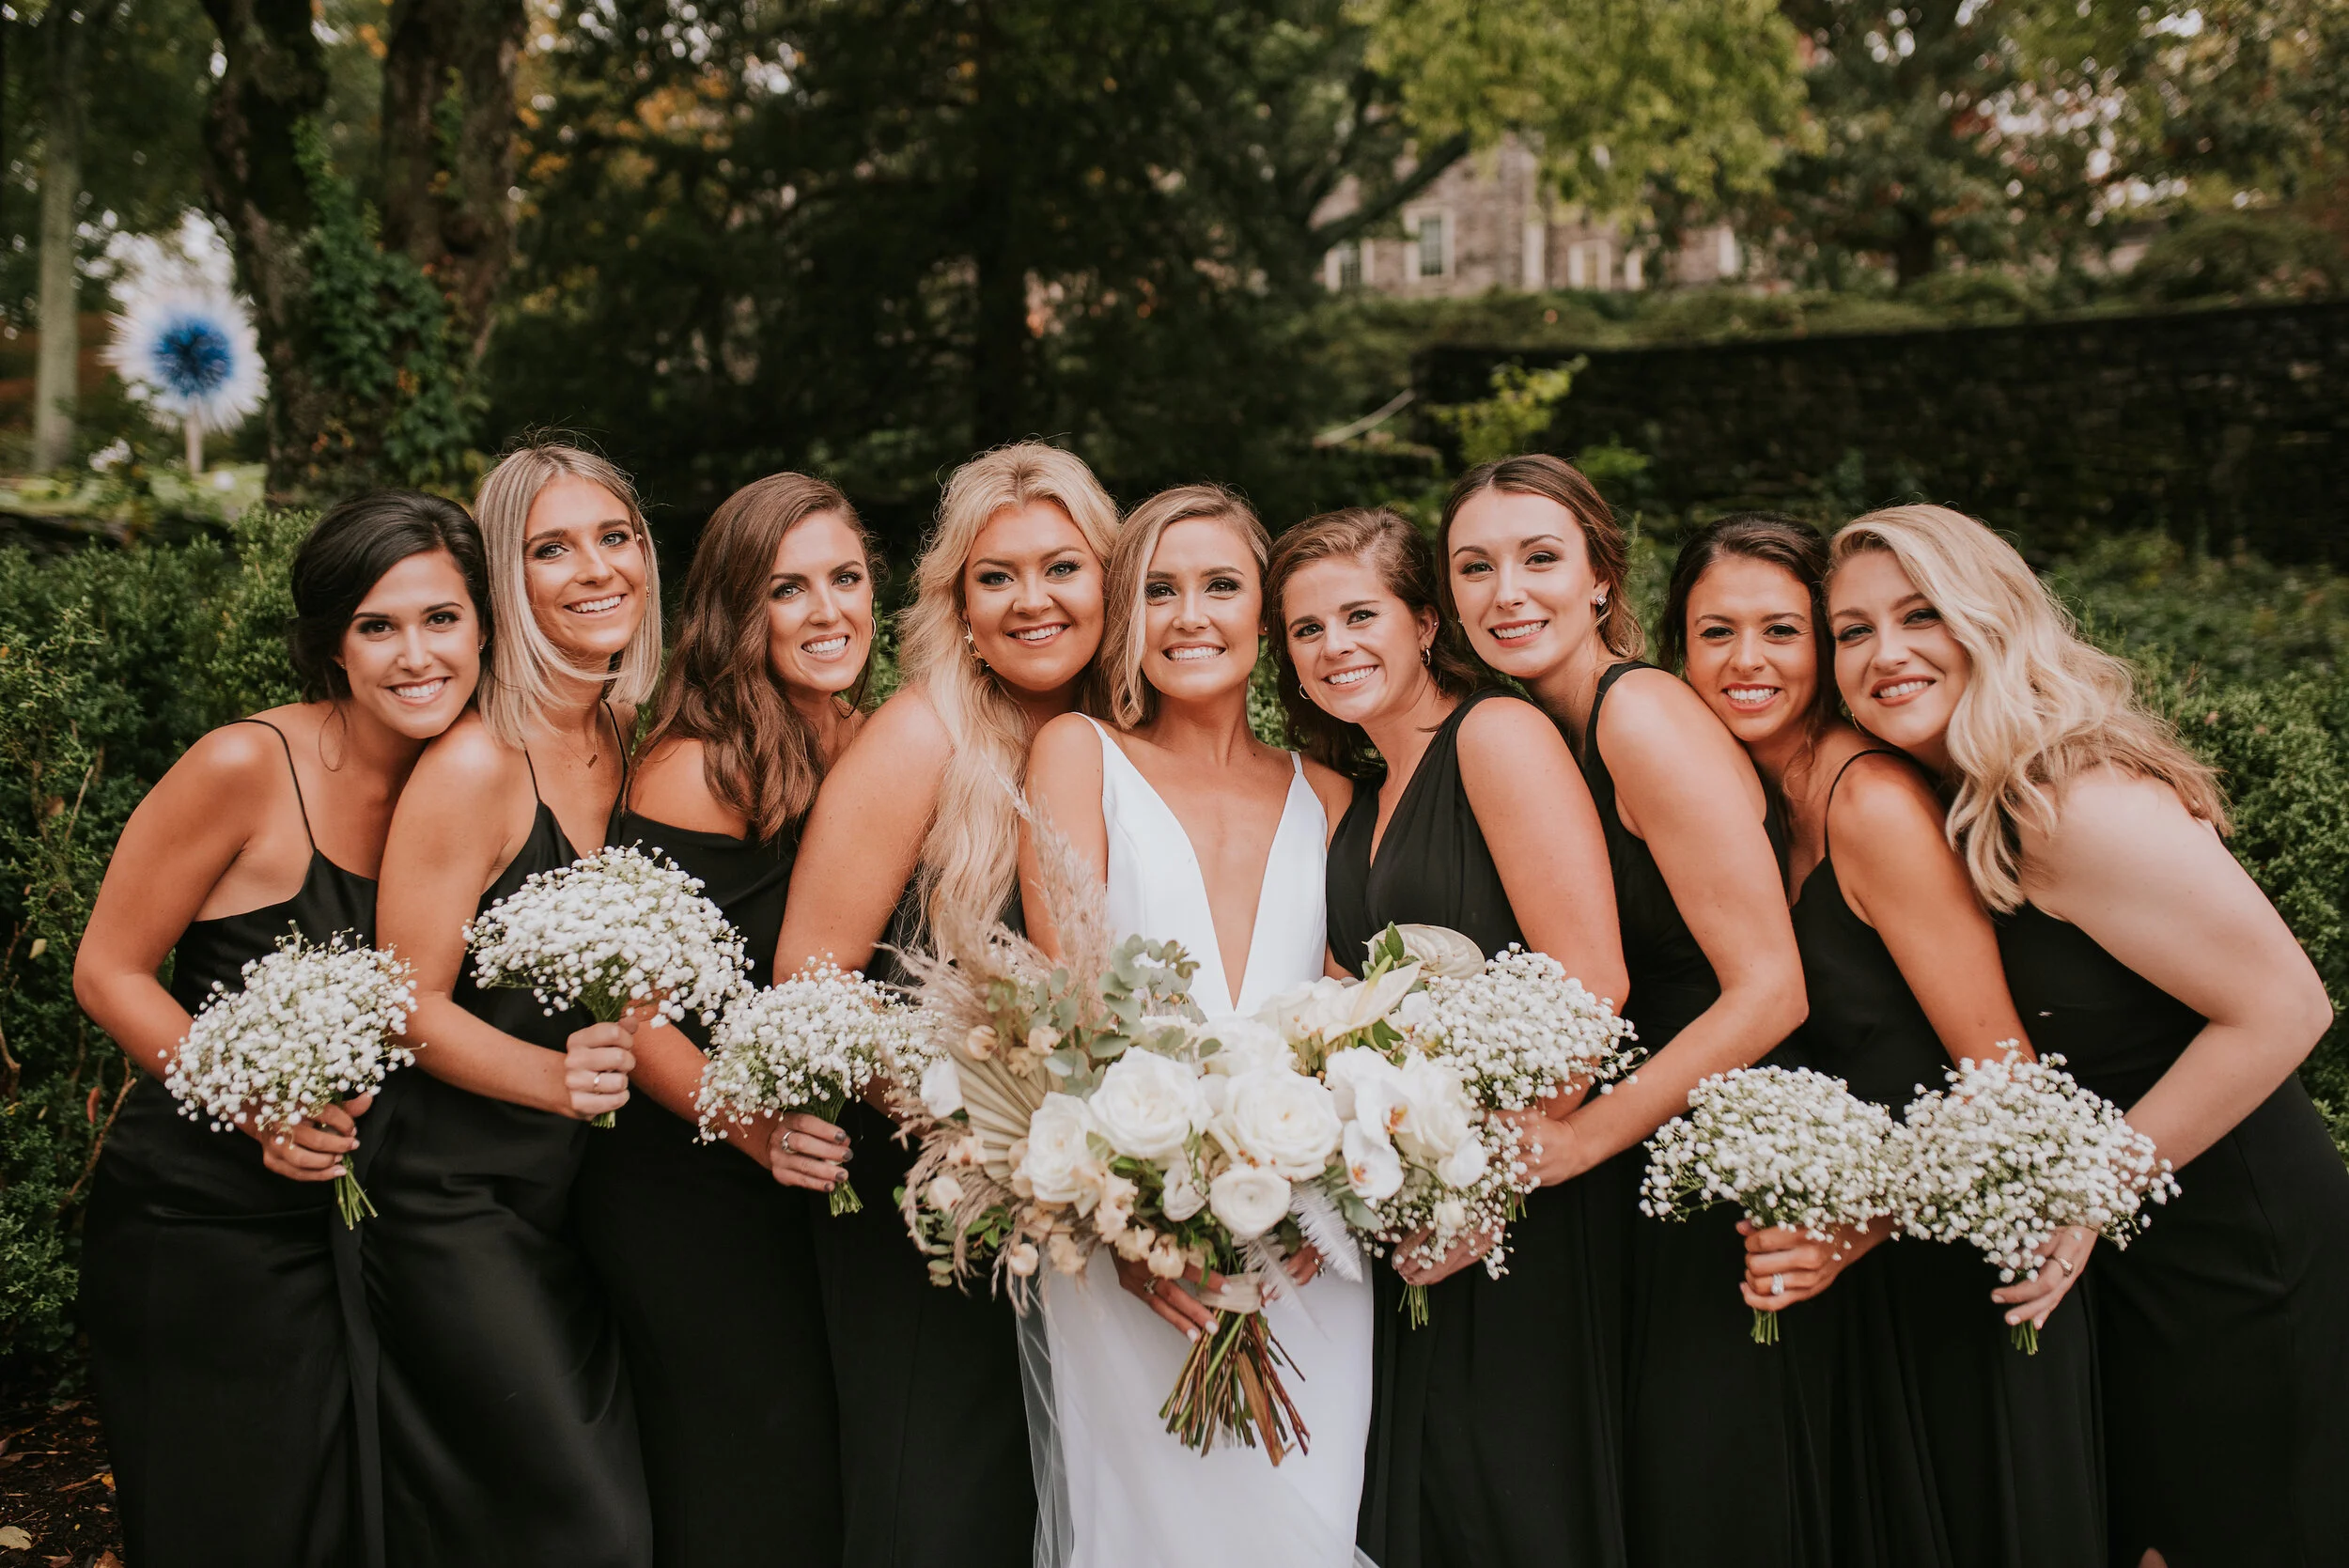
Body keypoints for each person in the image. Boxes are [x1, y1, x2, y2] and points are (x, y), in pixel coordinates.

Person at [1828, 504, 2347, 1568]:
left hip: (2236, 1250)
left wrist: (2085, 1194)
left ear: (1990, 616)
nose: (1884, 654)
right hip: (2135, 1249)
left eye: (1920, 614)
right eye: (1851, 630)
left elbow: (2286, 1006)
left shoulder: (2068, 799)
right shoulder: (1963, 798)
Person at [1662, 512, 2102, 1567]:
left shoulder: (1874, 804)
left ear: (1819, 646)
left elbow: (2005, 1076)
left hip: (1969, 1274)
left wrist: (1857, 1222)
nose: (1745, 661)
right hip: (1867, 1294)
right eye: (1713, 632)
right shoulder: (1745, 800)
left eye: (1781, 629)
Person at [75, 491, 489, 1568]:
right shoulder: (244, 767)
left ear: (487, 625)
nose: (416, 655)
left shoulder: (483, 783)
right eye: (377, 625)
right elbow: (108, 968)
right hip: (208, 1227)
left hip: (381, 1231)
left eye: (442, 618)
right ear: (330, 646)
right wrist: (247, 1100)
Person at [1438, 456, 1816, 1567]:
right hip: (1649, 1171)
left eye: (1540, 559)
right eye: (1475, 565)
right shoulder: (1536, 728)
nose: (1507, 591)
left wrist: (1573, 1142)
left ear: (1602, 577)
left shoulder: (1639, 711)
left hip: (1714, 1159)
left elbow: (1771, 986)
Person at [770, 441, 1122, 1567]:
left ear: (1111, 582)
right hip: (935, 1209)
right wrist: (986, 1139)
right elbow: (808, 986)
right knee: (946, 1503)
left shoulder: (1135, 737)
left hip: (1100, 1210)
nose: (1032, 601)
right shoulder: (919, 735)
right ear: (958, 607)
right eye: (995, 575)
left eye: (1062, 567)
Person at [1269, 505, 1631, 1568]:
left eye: (1359, 615)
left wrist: (1484, 1188)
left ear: (1425, 621)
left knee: (1517, 1498)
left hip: (1523, 1202)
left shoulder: (1496, 734)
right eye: (1305, 630)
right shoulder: (1365, 789)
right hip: (1417, 1204)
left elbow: (1593, 983)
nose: (1335, 647)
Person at [1018, 484, 1367, 1567]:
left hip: (1310, 1247)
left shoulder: (1337, 794)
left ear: (1264, 615)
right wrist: (1130, 1232)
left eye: (1221, 586)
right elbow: (1065, 1010)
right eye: (1159, 592)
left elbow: (1357, 1030)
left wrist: (1333, 1187)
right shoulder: (1079, 754)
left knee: (1304, 1529)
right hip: (1134, 1248)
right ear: (1126, 618)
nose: (1190, 616)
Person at [573, 474, 882, 1565]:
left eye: (845, 578)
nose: (827, 610)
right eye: (786, 590)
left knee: (824, 1468)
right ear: (732, 612)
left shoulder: (869, 741)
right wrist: (752, 1132)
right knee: (751, 1475)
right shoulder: (695, 766)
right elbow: (634, 1003)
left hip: (811, 1175)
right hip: (690, 1178)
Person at [365, 442, 662, 1568]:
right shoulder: (475, 766)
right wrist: (552, 1077)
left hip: (586, 1206)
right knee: (590, 1528)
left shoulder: (630, 737)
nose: (595, 569)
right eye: (551, 548)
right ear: (505, 579)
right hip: (459, 1204)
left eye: (614, 537)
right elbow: (404, 1001)